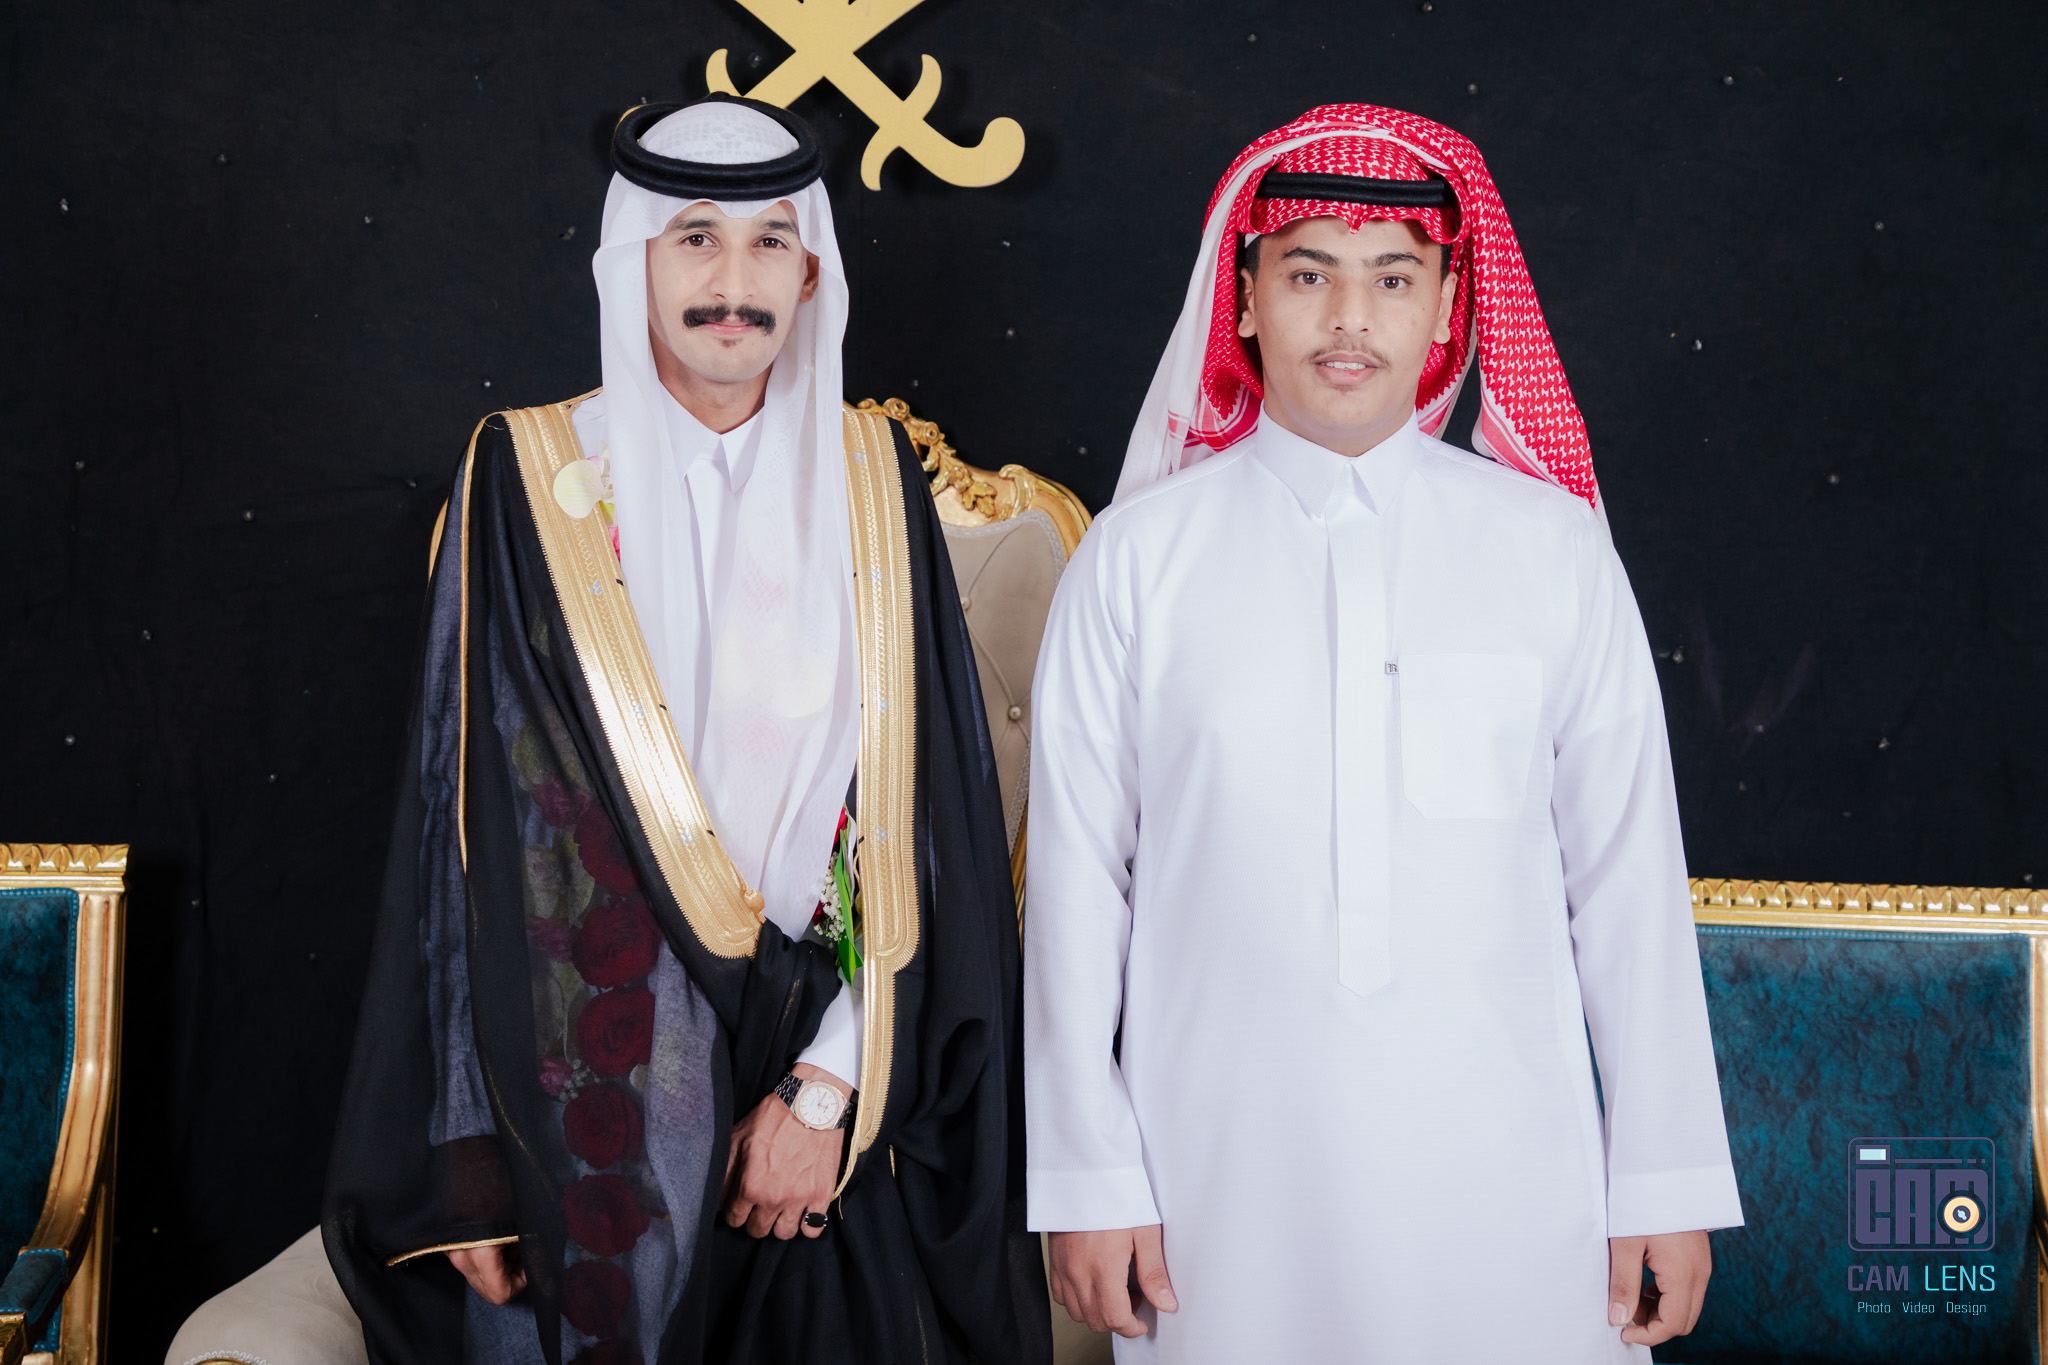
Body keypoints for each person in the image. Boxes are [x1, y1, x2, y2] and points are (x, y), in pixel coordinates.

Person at [323, 93, 1049, 1365]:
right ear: (635, 262)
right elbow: (462, 834)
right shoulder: (526, 481)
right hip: (584, 1087)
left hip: (820, 1090)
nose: (733, 282)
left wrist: (827, 1092)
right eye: (696, 239)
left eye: (769, 242)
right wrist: (475, 1158)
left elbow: (928, 830)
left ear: (809, 272)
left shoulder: (875, 483)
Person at [1023, 104, 1743, 1362]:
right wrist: (1085, 1177)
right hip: (1215, 1186)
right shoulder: (1136, 561)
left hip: (1513, 1188)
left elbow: (1627, 881)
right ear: (1244, 300)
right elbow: (1079, 889)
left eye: (1392, 278)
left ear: (1448, 307)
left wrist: (1664, 1181)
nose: (1348, 318)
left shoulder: (1551, 552)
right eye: (1307, 274)